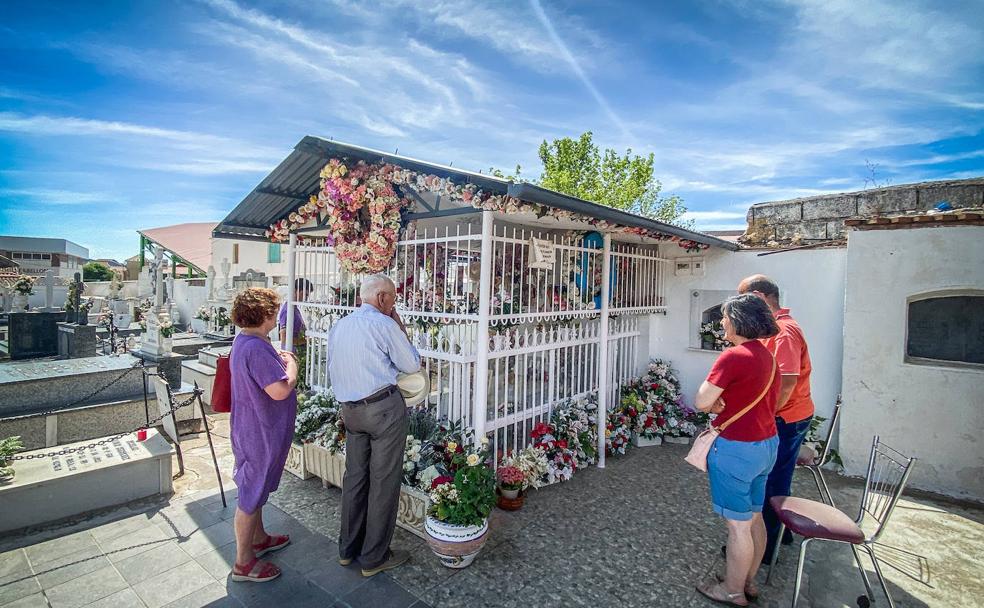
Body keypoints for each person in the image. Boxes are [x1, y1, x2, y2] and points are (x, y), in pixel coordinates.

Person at [327, 274, 421, 577]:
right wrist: (399, 326)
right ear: (382, 298)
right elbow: (411, 364)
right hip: (382, 409)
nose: (395, 302)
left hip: (351, 411)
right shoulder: (384, 324)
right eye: (393, 297)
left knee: (355, 478)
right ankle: (374, 556)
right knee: (383, 482)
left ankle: (347, 549)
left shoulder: (341, 325)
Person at [694, 294, 780, 606]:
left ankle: (731, 592)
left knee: (738, 526)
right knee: (755, 518)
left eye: (726, 316)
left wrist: (716, 400)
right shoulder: (767, 356)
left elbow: (702, 401)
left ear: (739, 320)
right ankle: (747, 581)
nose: (722, 322)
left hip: (738, 448)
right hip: (766, 445)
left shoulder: (734, 356)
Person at [737, 274, 815, 563]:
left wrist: (766, 416)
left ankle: (765, 549)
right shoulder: (778, 328)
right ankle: (782, 532)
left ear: (758, 298)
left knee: (770, 480)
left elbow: (787, 381)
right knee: (778, 475)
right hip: (791, 414)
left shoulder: (782, 331)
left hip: (785, 417)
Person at [228, 287, 299, 583]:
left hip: (256, 427)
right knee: (250, 493)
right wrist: (293, 365)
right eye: (274, 310)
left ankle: (258, 538)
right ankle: (243, 562)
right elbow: (280, 390)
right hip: (259, 431)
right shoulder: (255, 348)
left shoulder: (247, 340)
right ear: (265, 314)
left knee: (257, 490)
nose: (276, 315)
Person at [279, 278, 313, 349]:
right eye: (304, 294)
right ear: (295, 291)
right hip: (291, 352)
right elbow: (284, 338)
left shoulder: (295, 309)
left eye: (307, 295)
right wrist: (304, 341)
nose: (306, 298)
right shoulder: (287, 310)